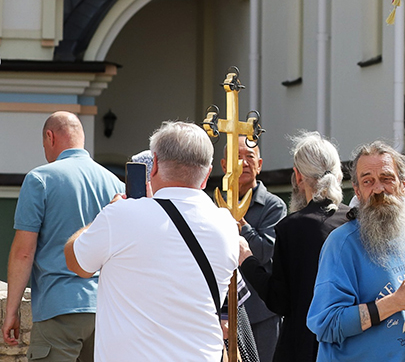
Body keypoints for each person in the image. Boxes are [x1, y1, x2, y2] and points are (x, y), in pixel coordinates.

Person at [64, 121, 239, 362]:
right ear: (207, 174)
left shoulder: (122, 215)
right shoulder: (227, 225)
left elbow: (76, 262)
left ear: (153, 164)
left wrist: (106, 215)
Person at [307, 141, 405, 362]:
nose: (378, 189)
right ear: (357, 191)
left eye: (386, 178)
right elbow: (326, 324)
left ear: (403, 184)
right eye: (368, 181)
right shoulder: (342, 245)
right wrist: (395, 302)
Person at [2, 111, 123, 361]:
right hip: (105, 310)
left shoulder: (39, 179)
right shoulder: (116, 184)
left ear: (50, 136)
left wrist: (11, 310)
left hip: (58, 310)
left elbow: (24, 252)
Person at [240, 131, 350, 362]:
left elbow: (280, 301)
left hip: (304, 346)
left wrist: (246, 259)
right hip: (348, 343)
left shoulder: (292, 227)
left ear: (298, 177)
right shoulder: (354, 219)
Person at [221, 136, 287, 362]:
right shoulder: (215, 203)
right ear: (224, 166)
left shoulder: (274, 206)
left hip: (261, 313)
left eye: (250, 157)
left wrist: (240, 224)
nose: (243, 163)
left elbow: (263, 252)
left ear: (260, 165)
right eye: (236, 157)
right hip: (223, 314)